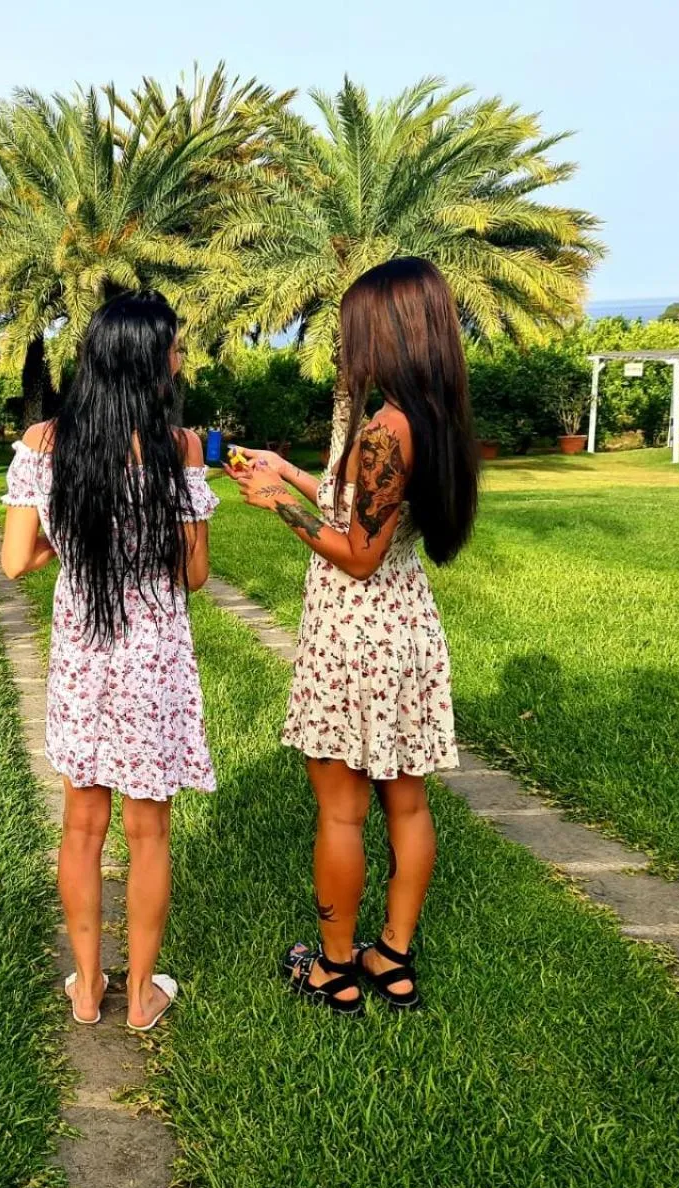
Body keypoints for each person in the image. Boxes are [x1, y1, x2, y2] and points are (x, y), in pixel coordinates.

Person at [226, 257, 479, 1014]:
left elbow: (357, 554)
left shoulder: (384, 432)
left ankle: (334, 969)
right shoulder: (432, 417)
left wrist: (276, 504)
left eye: (355, 328)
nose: (347, 341)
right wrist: (290, 472)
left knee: (341, 811)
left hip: (354, 634)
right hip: (407, 629)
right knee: (408, 803)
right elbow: (371, 511)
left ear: (388, 332)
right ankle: (392, 959)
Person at [1, 291, 218, 1032]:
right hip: (154, 656)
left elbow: (15, 560)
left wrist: (72, 541)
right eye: (174, 348)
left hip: (84, 655)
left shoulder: (45, 443)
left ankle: (89, 987)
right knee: (148, 833)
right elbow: (193, 576)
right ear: (149, 362)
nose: (180, 360)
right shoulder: (179, 448)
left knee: (82, 827)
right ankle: (142, 996)